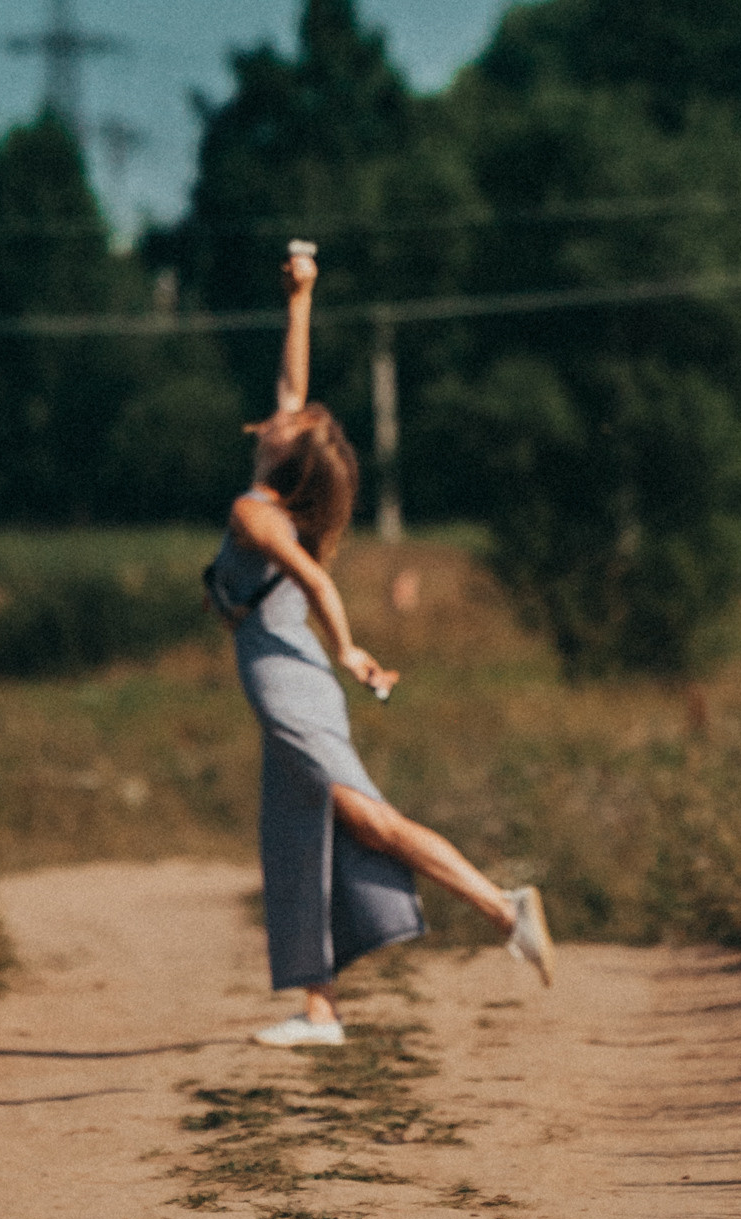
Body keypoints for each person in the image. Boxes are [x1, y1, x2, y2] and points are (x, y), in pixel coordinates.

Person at [205, 242, 554, 1045]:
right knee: (297, 833)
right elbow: (292, 379)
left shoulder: (256, 512)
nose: (284, 409)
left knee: (370, 820)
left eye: (290, 422)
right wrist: (302, 297)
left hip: (293, 680)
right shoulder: (279, 487)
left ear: (285, 455)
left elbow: (318, 585)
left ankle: (506, 911)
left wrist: (352, 649)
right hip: (286, 677)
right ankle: (318, 1008)